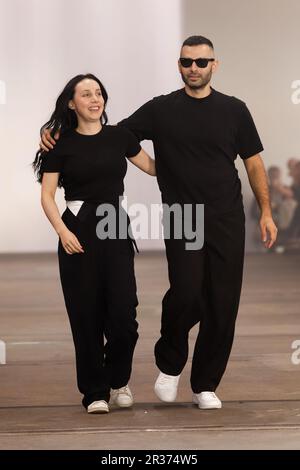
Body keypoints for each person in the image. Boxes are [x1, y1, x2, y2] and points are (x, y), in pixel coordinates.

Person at [40, 36, 277, 410]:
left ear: (215, 65)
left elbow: (253, 163)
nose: (193, 68)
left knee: (222, 302)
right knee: (186, 292)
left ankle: (205, 385)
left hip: (227, 216)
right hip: (183, 215)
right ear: (179, 65)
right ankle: (169, 363)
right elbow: (110, 135)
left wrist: (265, 210)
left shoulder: (235, 110)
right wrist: (58, 133)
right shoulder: (160, 110)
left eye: (201, 62)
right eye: (187, 62)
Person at [34, 74, 156, 414]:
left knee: (123, 316)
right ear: (72, 103)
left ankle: (119, 381)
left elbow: (152, 168)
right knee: (85, 316)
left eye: (99, 92)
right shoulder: (59, 143)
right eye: (86, 93)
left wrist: (188, 153)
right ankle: (95, 392)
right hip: (77, 230)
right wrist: (62, 231)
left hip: (115, 227)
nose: (94, 98)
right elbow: (46, 195)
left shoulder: (120, 136)